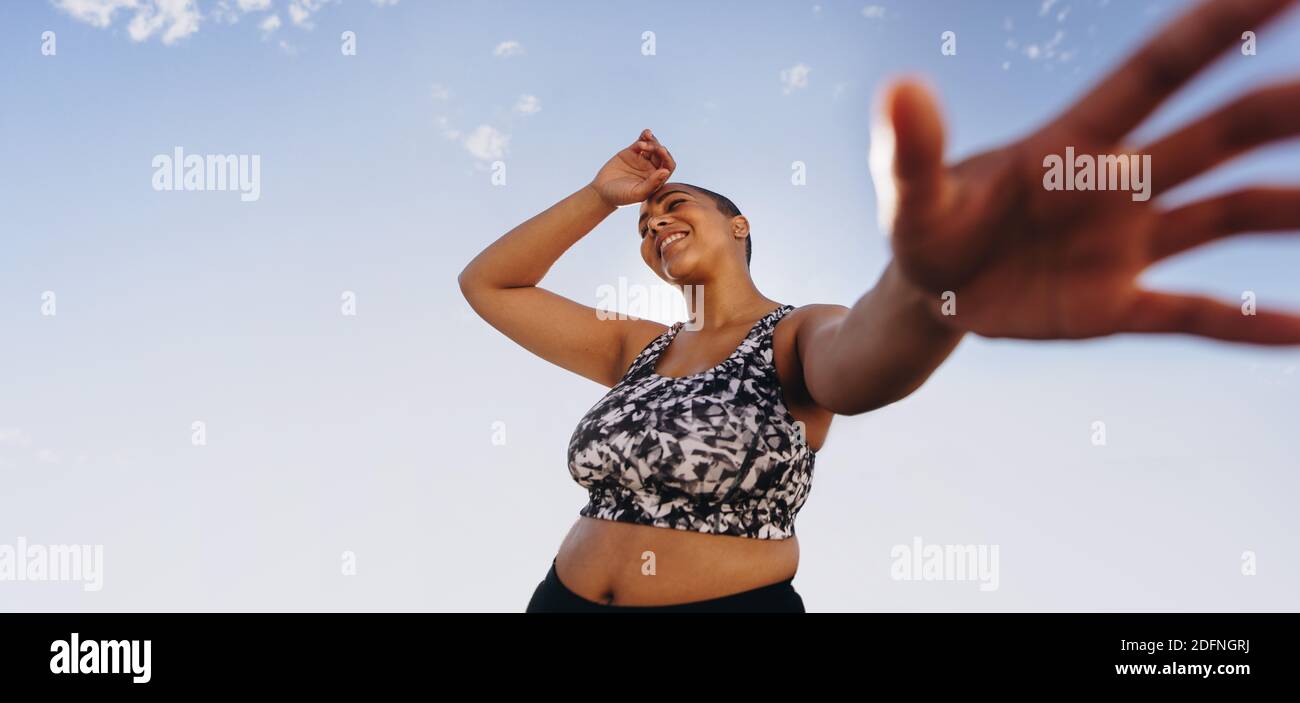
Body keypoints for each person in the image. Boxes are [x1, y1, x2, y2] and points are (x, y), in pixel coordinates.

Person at [458, 0, 1300, 612]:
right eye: (644, 226)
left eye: (677, 207)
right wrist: (602, 195)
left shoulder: (793, 333)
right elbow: (489, 283)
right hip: (558, 600)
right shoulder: (633, 349)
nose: (658, 223)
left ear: (739, 224)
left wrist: (939, 292)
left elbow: (862, 358)